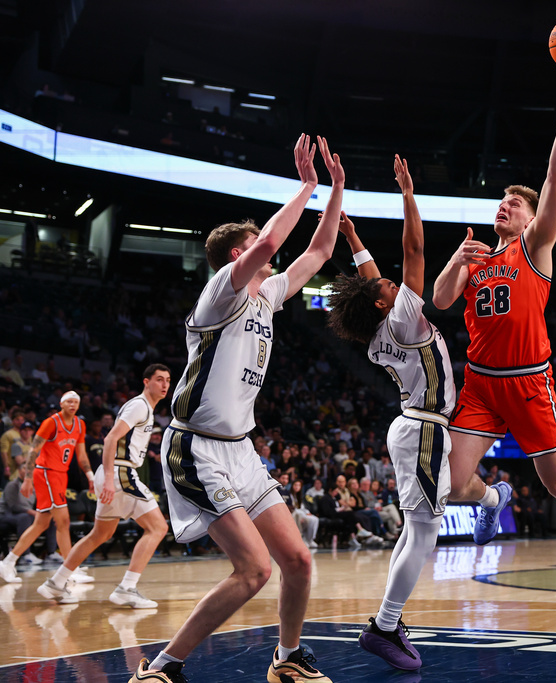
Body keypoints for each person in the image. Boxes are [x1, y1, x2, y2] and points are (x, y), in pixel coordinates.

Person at [128, 134, 344, 683]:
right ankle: (162, 667)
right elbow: (271, 244)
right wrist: (308, 186)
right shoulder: (221, 291)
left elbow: (317, 252)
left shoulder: (266, 296)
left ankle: (287, 659)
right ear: (236, 256)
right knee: (254, 571)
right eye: (254, 248)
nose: (268, 253)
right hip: (195, 446)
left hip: (239, 449)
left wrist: (336, 191)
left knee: (296, 560)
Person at [431, 62, 556, 588]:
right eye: (502, 201)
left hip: (527, 381)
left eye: (515, 203)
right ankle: (493, 496)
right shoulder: (475, 258)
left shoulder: (534, 247)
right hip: (480, 382)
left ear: (530, 217)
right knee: (451, 484)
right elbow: (439, 300)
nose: (505, 206)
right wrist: (456, 260)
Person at [326, 154, 454, 670]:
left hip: (414, 426)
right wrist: (407, 193)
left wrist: (354, 238)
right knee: (424, 534)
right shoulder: (403, 315)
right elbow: (414, 248)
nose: (393, 282)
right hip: (423, 429)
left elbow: (371, 278)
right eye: (388, 287)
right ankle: (384, 624)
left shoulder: (384, 323)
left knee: (413, 532)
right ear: (386, 303)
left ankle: (387, 621)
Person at [37, 364, 172, 608]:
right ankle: (127, 588)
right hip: (120, 472)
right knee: (158, 528)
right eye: (159, 379)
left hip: (115, 472)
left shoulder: (145, 409)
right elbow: (110, 438)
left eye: (167, 381)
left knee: (100, 534)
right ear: (146, 382)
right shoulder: (139, 405)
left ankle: (56, 583)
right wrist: (110, 478)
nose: (164, 385)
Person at [0, 391, 94, 584]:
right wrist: (28, 478)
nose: (72, 405)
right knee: (63, 521)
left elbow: (81, 455)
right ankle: (70, 569)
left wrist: (90, 475)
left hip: (60, 475)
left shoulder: (80, 425)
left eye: (76, 402)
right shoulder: (51, 423)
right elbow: (33, 451)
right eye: (69, 402)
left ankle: (7, 563)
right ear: (61, 404)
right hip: (46, 472)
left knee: (41, 524)